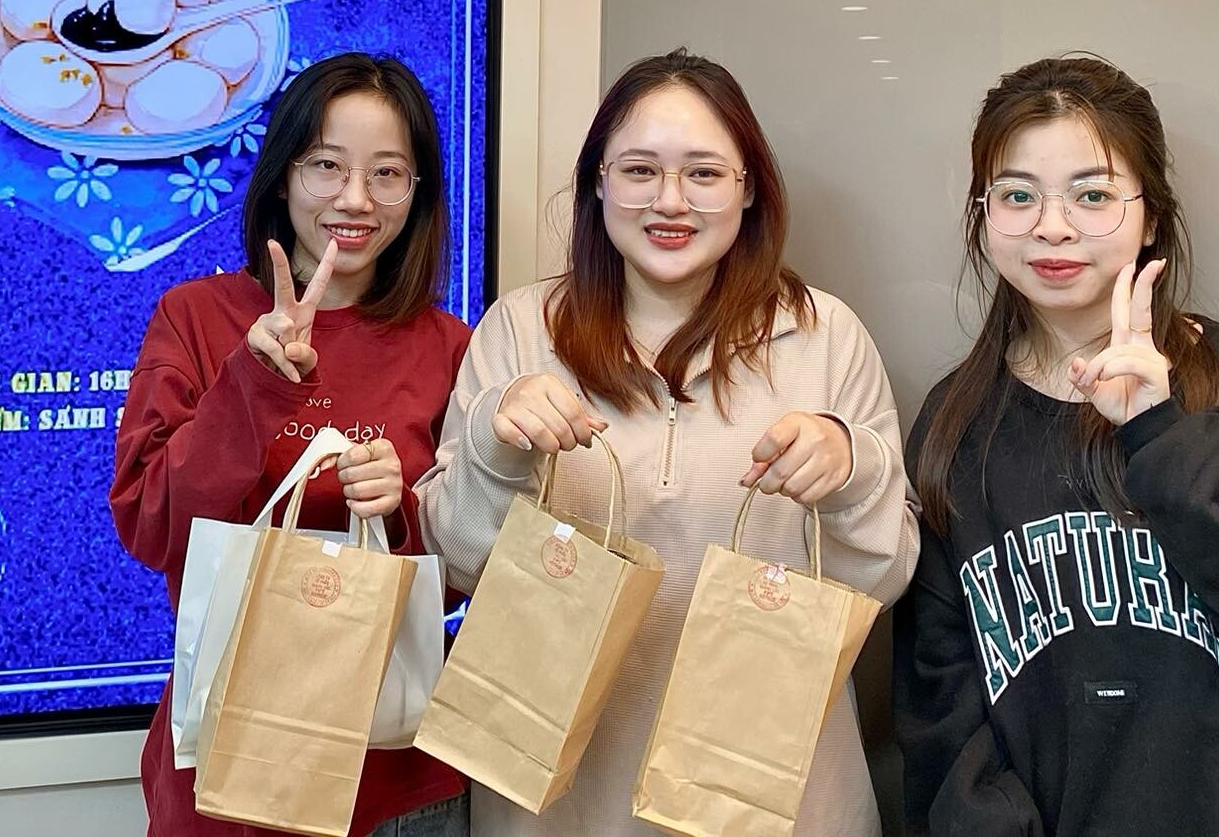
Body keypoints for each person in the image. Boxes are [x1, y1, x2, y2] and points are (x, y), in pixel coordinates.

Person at [893, 55, 1219, 837]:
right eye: (1017, 195)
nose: (1052, 226)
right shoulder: (957, 422)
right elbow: (940, 695)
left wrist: (1159, 427)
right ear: (983, 216)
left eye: (1093, 194)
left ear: (1150, 217)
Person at [419, 48, 918, 835]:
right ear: (598, 182)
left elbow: (881, 579)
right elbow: (457, 562)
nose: (670, 201)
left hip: (779, 805)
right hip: (561, 804)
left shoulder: (825, 336)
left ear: (749, 188)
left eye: (705, 173)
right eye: (640, 170)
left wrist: (851, 469)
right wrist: (495, 440)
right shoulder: (520, 330)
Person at [110, 52, 472, 837]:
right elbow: (151, 526)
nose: (355, 198)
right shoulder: (195, 317)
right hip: (228, 759)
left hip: (393, 775)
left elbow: (460, 581)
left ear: (418, 191)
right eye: (326, 166)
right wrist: (253, 382)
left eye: (387, 173)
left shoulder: (449, 346)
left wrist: (401, 513)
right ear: (282, 176)